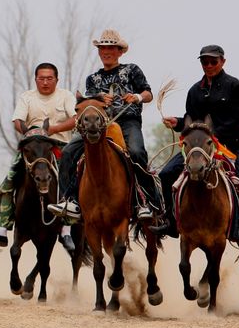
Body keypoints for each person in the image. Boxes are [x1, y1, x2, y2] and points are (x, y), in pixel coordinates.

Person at [49, 30, 160, 223]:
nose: (106, 51)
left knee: (136, 152)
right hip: (100, 125)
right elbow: (87, 103)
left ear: (120, 51)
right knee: (68, 152)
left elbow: (148, 93)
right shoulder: (93, 79)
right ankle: (70, 200)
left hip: (127, 122)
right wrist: (98, 99)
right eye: (103, 48)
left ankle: (147, 203)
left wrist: (136, 97)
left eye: (111, 48)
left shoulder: (131, 70)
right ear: (99, 52)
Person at [154, 45, 239, 248]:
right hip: (198, 147)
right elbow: (191, 120)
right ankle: (170, 221)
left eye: (213, 61)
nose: (209, 65)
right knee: (166, 174)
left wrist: (214, 135)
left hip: (230, 147)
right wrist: (178, 122)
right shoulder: (195, 90)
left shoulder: (235, 87)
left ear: (223, 62)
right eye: (205, 62)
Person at [0, 63, 78, 248]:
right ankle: (2, 228)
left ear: (56, 80)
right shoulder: (27, 97)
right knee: (8, 183)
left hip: (59, 146)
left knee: (70, 182)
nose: (45, 82)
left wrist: (55, 129)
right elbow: (17, 120)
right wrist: (28, 131)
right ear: (36, 79)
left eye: (49, 78)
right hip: (32, 146)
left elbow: (75, 118)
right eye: (41, 78)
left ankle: (66, 230)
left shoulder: (66, 96)